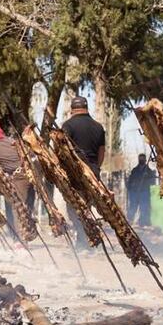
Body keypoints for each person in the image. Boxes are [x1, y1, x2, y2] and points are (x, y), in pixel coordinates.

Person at [61, 97, 106, 246]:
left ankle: (83, 240)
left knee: (76, 208)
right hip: (93, 172)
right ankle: (89, 238)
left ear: (72, 109)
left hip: (76, 173)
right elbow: (101, 151)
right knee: (88, 206)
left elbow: (63, 150)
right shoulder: (98, 127)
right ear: (86, 108)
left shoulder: (68, 126)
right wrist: (96, 167)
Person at [126, 153, 155, 226]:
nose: (141, 160)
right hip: (134, 192)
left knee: (144, 207)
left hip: (144, 192)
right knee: (133, 206)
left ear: (145, 160)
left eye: (142, 159)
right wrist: (129, 188)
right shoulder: (134, 170)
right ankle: (130, 221)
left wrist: (147, 176)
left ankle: (143, 222)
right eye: (140, 159)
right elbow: (130, 180)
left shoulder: (149, 171)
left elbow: (153, 182)